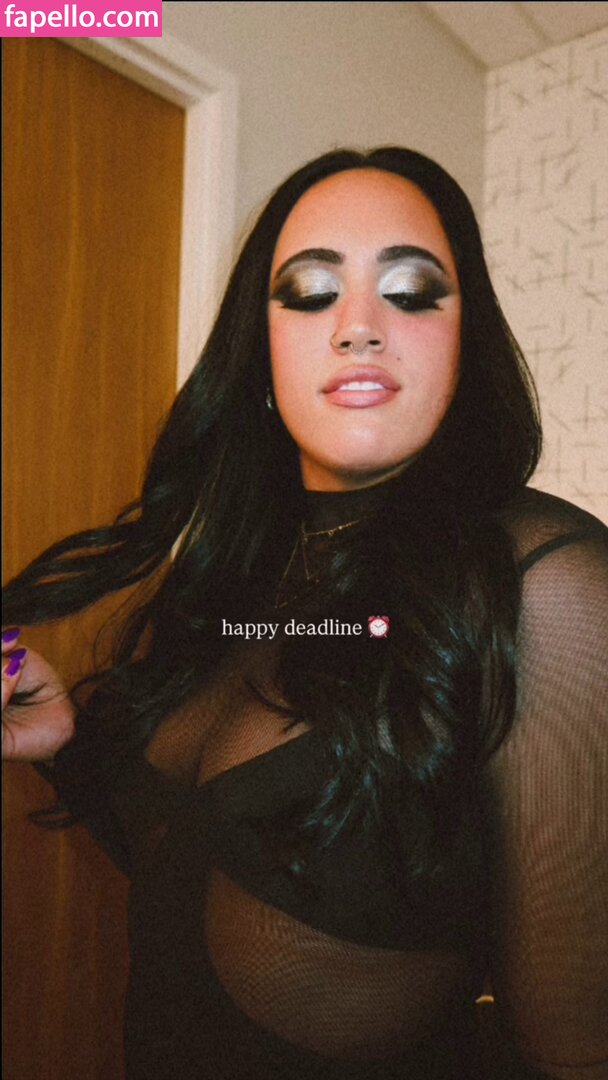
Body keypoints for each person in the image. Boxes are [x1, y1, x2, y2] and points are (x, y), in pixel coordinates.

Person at [2, 147, 607, 1080]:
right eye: (312, 293)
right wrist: (67, 743)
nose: (360, 326)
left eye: (412, 293)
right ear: (261, 353)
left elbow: (578, 1050)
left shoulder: (544, 581)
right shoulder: (240, 576)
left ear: (466, 341)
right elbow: (201, 859)